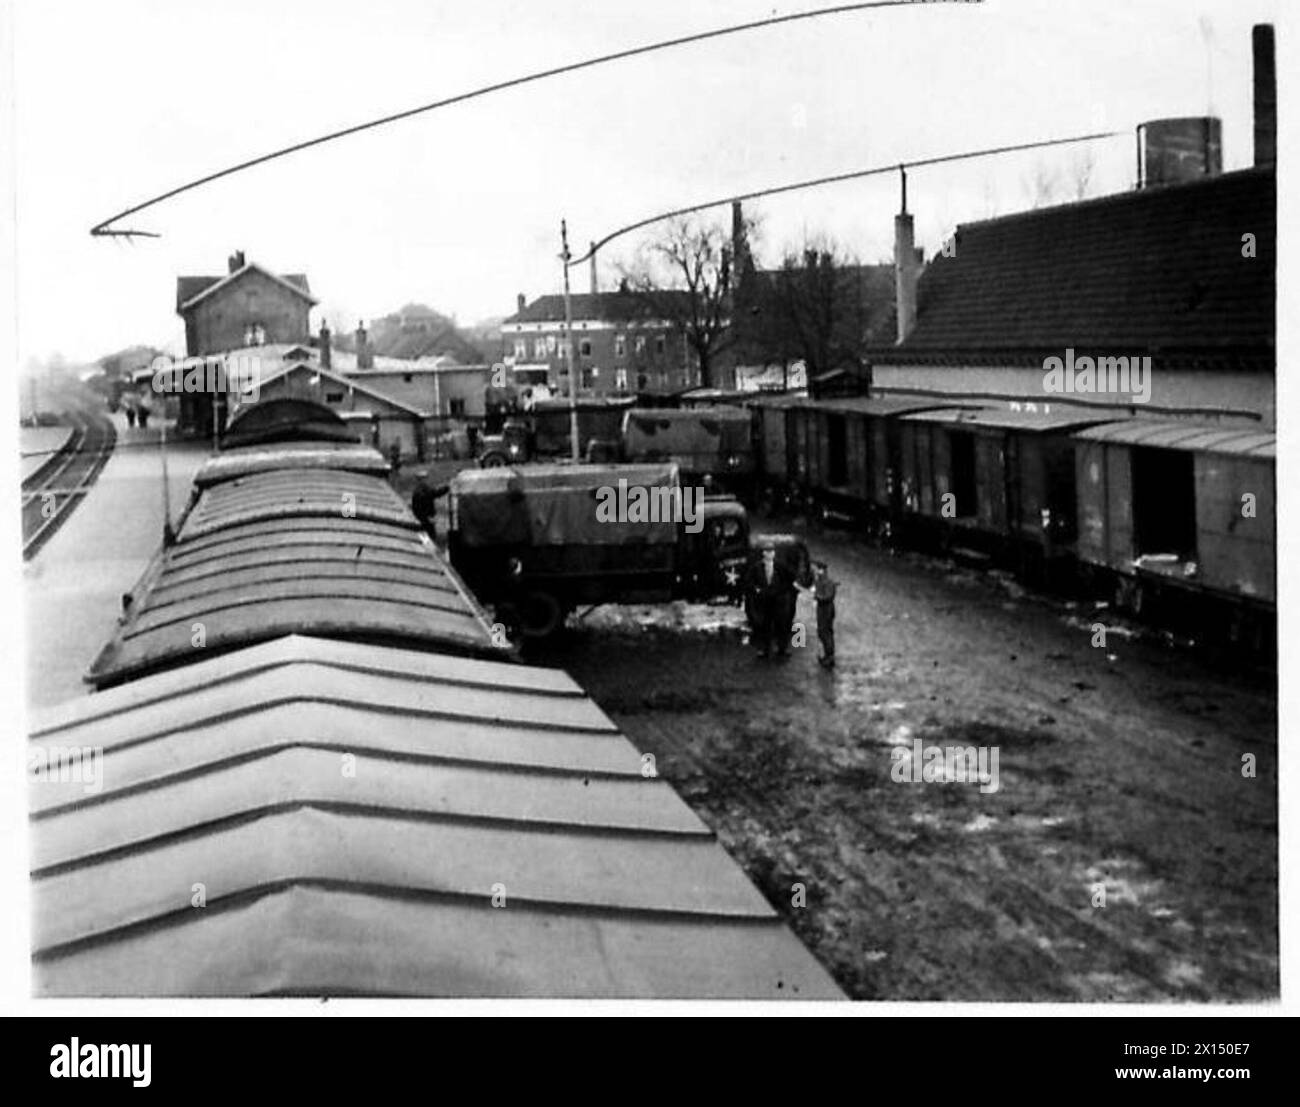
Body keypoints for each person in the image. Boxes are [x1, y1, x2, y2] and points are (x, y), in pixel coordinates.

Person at [803, 560, 838, 668]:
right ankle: (827, 655)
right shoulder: (820, 580)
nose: (816, 571)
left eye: (817, 569)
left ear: (821, 570)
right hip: (822, 609)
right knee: (823, 632)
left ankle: (829, 656)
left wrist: (816, 596)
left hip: (826, 610)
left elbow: (827, 596)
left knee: (825, 632)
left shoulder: (827, 582)